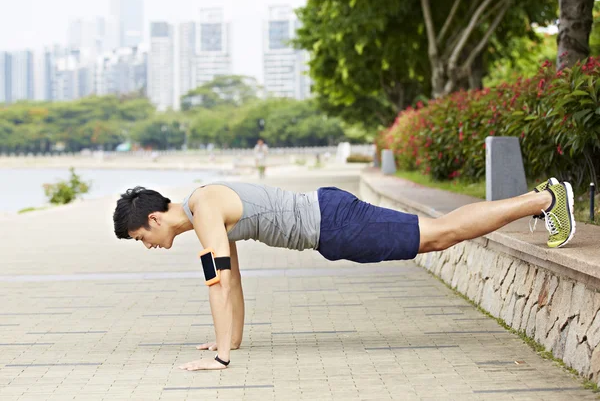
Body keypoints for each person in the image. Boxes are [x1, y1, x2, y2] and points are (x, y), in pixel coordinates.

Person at [112, 178, 575, 371]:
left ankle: (544, 199)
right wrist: (227, 339)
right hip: (331, 222)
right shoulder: (202, 209)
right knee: (439, 235)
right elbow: (234, 281)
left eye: (139, 238)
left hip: (334, 223)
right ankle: (543, 200)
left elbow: (220, 280)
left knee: (440, 235)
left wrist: (221, 361)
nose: (146, 246)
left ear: (152, 220)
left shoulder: (203, 207)